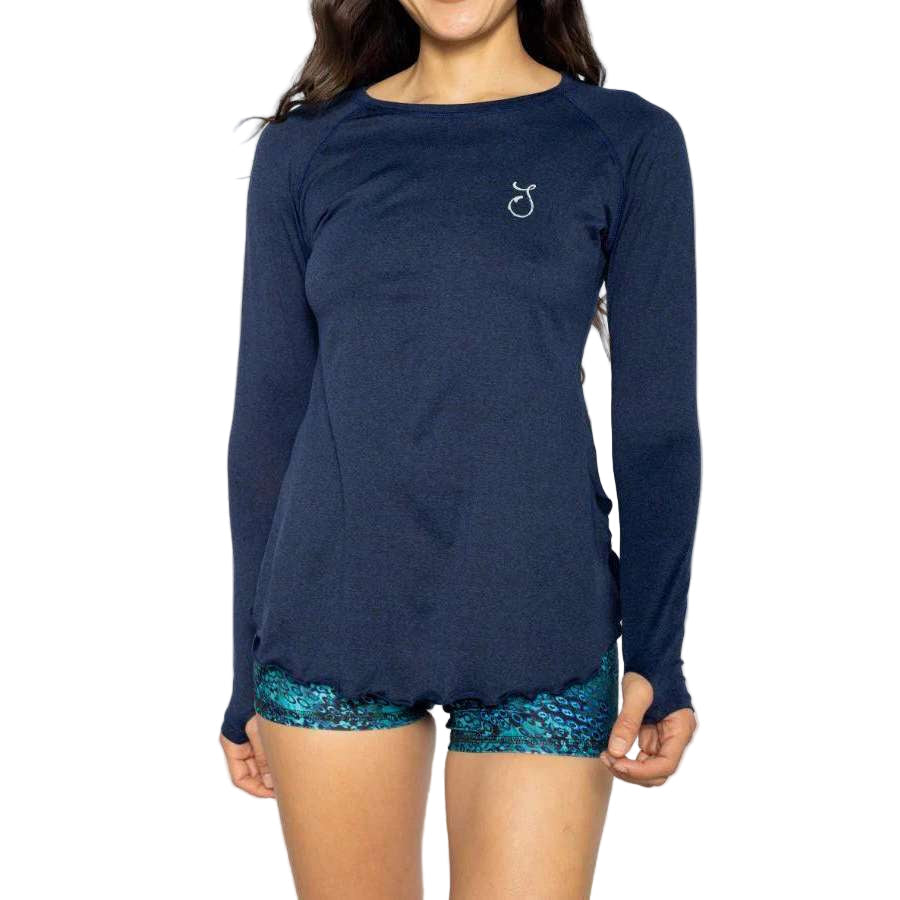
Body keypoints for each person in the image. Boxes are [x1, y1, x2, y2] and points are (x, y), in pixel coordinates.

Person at [219, 0, 701, 895]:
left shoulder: (624, 142)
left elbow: (657, 428)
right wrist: (245, 667)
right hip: (332, 619)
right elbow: (266, 427)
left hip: (543, 619)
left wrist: (656, 655)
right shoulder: (305, 152)